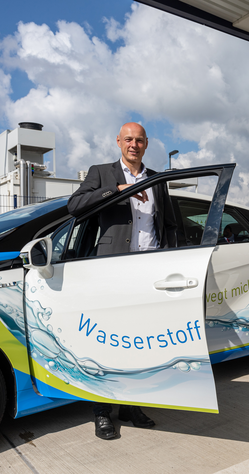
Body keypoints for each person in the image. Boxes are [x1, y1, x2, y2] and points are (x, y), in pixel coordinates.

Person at [68, 122, 177, 440]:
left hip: (150, 272)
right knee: (106, 342)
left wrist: (174, 259)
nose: (134, 144)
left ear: (146, 144)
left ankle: (131, 406)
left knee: (142, 343)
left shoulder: (158, 179)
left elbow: (167, 223)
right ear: (118, 142)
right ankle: (102, 412)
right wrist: (116, 191)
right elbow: (75, 206)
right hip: (113, 271)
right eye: (128, 139)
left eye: (139, 140)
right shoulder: (102, 173)